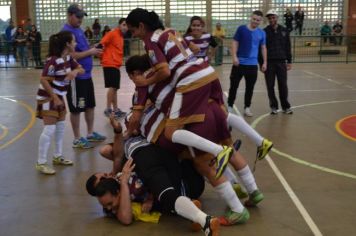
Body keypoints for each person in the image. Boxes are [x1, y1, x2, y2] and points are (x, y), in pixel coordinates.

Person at [126, 8, 234, 179]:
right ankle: (246, 148)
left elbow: (164, 71)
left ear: (141, 26)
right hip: (206, 71)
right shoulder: (169, 31)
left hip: (189, 80)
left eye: (133, 31)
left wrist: (146, 82)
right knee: (217, 110)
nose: (134, 36)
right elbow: (195, 49)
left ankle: (219, 150)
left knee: (172, 134)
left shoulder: (150, 42)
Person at [86, 116, 219, 235]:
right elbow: (126, 218)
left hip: (166, 164)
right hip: (187, 182)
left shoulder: (122, 175)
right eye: (103, 179)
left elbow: (112, 154)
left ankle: (202, 217)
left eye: (104, 176)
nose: (107, 175)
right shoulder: (118, 190)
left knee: (168, 193)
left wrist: (119, 132)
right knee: (169, 195)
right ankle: (195, 212)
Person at [35, 31, 84, 174]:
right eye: (73, 41)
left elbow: (81, 68)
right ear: (67, 44)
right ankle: (41, 162)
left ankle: (57, 156)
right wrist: (55, 98)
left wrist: (74, 72)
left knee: (61, 126)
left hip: (60, 95)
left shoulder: (68, 58)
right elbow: (43, 80)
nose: (76, 44)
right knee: (49, 129)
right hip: (48, 96)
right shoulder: (53, 60)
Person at [62, 3, 106, 149]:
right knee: (76, 108)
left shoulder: (79, 30)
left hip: (86, 76)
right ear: (70, 15)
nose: (80, 19)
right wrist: (90, 53)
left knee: (90, 105)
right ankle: (76, 138)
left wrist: (94, 47)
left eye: (82, 16)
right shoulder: (66, 33)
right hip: (76, 78)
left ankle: (90, 133)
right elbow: (70, 55)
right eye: (78, 16)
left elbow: (83, 49)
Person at [227, 10, 267, 117]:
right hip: (239, 64)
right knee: (233, 86)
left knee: (250, 88)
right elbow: (235, 42)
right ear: (251, 18)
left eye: (258, 20)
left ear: (261, 21)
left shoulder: (262, 33)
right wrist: (234, 57)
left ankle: (247, 107)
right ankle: (230, 105)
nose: (255, 21)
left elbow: (263, 48)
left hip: (253, 65)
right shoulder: (241, 29)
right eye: (254, 19)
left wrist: (264, 63)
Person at [263, 10, 293, 115]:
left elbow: (288, 47)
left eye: (273, 17)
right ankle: (273, 106)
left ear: (277, 18)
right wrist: (262, 63)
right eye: (270, 18)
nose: (272, 20)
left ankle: (286, 107)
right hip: (269, 63)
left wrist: (289, 61)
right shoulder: (264, 32)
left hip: (281, 63)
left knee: (283, 85)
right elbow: (261, 49)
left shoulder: (284, 31)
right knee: (270, 85)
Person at [100, 18, 127, 118]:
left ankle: (115, 110)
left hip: (116, 64)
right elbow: (102, 43)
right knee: (112, 87)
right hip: (110, 64)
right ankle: (108, 109)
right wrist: (103, 57)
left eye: (127, 25)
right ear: (119, 25)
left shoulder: (120, 36)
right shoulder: (112, 33)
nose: (126, 27)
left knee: (115, 88)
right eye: (124, 24)